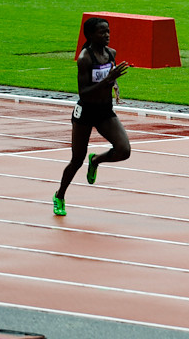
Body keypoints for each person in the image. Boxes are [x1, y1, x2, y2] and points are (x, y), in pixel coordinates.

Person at [53, 17, 132, 216]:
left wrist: (113, 85)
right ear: (89, 35)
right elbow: (83, 93)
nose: (106, 35)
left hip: (104, 111)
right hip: (86, 112)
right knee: (77, 160)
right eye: (101, 32)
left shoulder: (111, 54)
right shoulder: (85, 59)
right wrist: (107, 80)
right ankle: (60, 195)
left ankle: (96, 160)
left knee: (124, 150)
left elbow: (109, 79)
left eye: (108, 31)